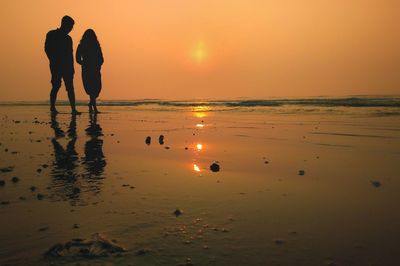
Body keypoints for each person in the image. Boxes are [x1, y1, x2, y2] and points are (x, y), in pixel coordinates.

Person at [45, 15, 80, 114]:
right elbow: (47, 49)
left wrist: (72, 68)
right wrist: (54, 60)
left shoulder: (68, 39)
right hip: (56, 65)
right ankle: (52, 107)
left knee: (70, 87)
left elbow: (70, 54)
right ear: (65, 25)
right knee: (56, 85)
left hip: (67, 66)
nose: (71, 29)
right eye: (70, 26)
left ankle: (73, 109)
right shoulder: (51, 34)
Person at [76, 29, 104, 113]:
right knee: (92, 89)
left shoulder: (96, 45)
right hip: (88, 70)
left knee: (96, 89)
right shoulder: (82, 45)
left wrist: (98, 64)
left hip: (95, 69)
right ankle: (94, 107)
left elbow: (101, 58)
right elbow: (77, 58)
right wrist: (84, 64)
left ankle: (91, 103)